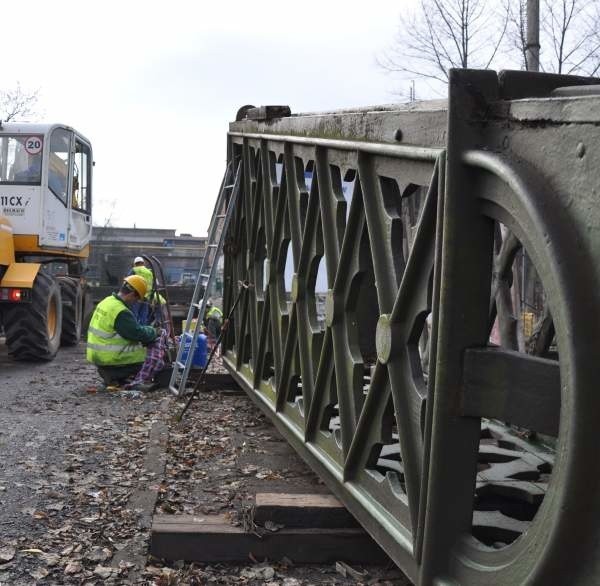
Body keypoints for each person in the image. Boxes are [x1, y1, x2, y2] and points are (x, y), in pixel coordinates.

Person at [86, 275, 158, 387]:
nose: (136, 302)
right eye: (137, 299)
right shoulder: (121, 312)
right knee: (150, 357)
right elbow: (137, 333)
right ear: (131, 294)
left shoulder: (107, 301)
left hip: (98, 356)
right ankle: (120, 375)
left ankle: (113, 375)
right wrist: (153, 331)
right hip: (112, 359)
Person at [129, 256, 154, 325]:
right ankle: (142, 331)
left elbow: (128, 282)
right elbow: (153, 285)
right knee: (143, 316)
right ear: (143, 263)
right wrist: (151, 297)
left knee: (134, 314)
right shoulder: (149, 272)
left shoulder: (134, 270)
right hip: (146, 297)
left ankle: (134, 330)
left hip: (137, 295)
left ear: (135, 264)